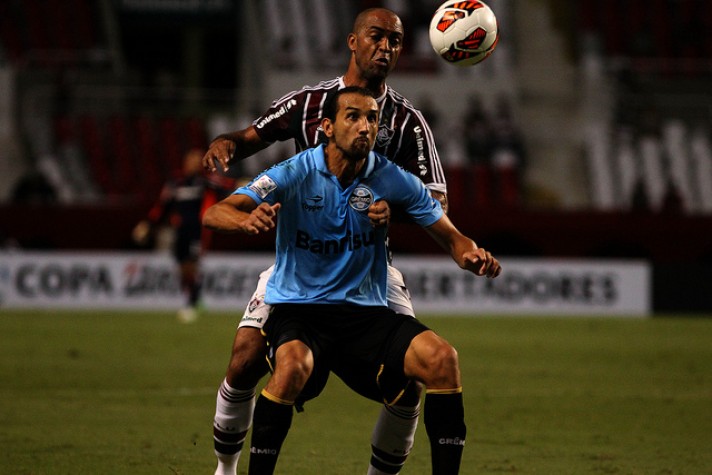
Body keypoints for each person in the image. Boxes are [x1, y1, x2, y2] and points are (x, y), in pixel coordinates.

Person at [203, 87, 502, 474]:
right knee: (289, 367)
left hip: (364, 314)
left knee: (443, 360)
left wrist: (471, 255)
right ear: (327, 126)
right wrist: (244, 220)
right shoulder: (296, 171)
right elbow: (217, 212)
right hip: (301, 310)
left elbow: (451, 236)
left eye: (373, 119)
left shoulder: (391, 178)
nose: (365, 127)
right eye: (353, 117)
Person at [132, 148, 233, 322]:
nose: (194, 163)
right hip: (179, 231)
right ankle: (195, 298)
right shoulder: (175, 182)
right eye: (191, 159)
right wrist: (148, 224)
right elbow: (162, 206)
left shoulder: (205, 181)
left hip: (198, 231)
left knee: (191, 266)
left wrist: (245, 184)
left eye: (197, 160)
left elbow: (227, 185)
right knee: (182, 268)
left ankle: (193, 303)